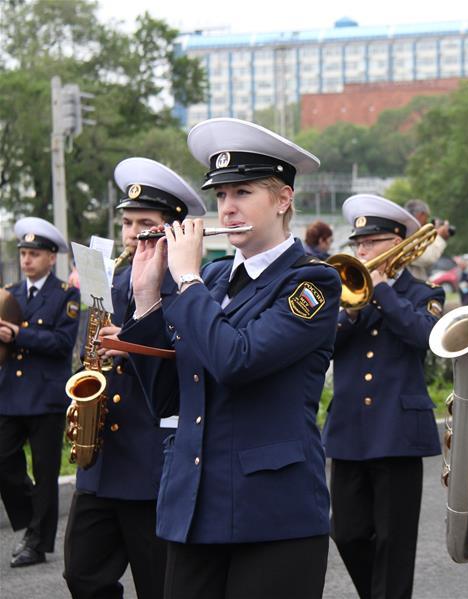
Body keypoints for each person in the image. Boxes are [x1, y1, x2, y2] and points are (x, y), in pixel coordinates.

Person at [117, 118, 340, 598]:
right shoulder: (214, 278)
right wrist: (146, 300)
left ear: (282, 200)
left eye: (242, 192)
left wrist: (187, 280)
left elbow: (236, 360)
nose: (228, 207)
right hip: (195, 507)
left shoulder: (310, 283)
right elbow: (165, 397)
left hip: (272, 514)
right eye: (221, 196)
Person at [62, 158, 206, 599]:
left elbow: (194, 364)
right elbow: (89, 355)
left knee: (158, 584)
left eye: (145, 223)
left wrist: (131, 341)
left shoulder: (186, 287)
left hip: (152, 463)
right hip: (103, 460)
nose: (131, 234)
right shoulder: (109, 281)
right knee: (82, 575)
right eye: (127, 222)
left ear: (172, 230)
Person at [323, 194, 443, 599]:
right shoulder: (345, 296)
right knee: (347, 534)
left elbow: (425, 337)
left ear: (398, 242)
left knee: (395, 542)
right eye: (358, 244)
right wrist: (351, 311)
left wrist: (386, 291)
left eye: (372, 243)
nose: (362, 251)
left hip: (398, 434)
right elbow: (325, 346)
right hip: (349, 432)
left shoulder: (424, 293)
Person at [0, 217, 80, 567]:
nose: (27, 260)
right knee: (4, 461)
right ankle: (36, 517)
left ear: (51, 258)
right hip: (11, 393)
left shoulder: (67, 296)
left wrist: (19, 335)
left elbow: (62, 344)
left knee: (47, 472)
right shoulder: (10, 294)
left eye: (34, 254)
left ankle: (37, 542)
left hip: (46, 396)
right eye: (23, 254)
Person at [404, 199, 452, 280]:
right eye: (427, 217)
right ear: (422, 215)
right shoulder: (406, 233)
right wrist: (440, 238)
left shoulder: (405, 231)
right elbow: (427, 258)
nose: (427, 222)